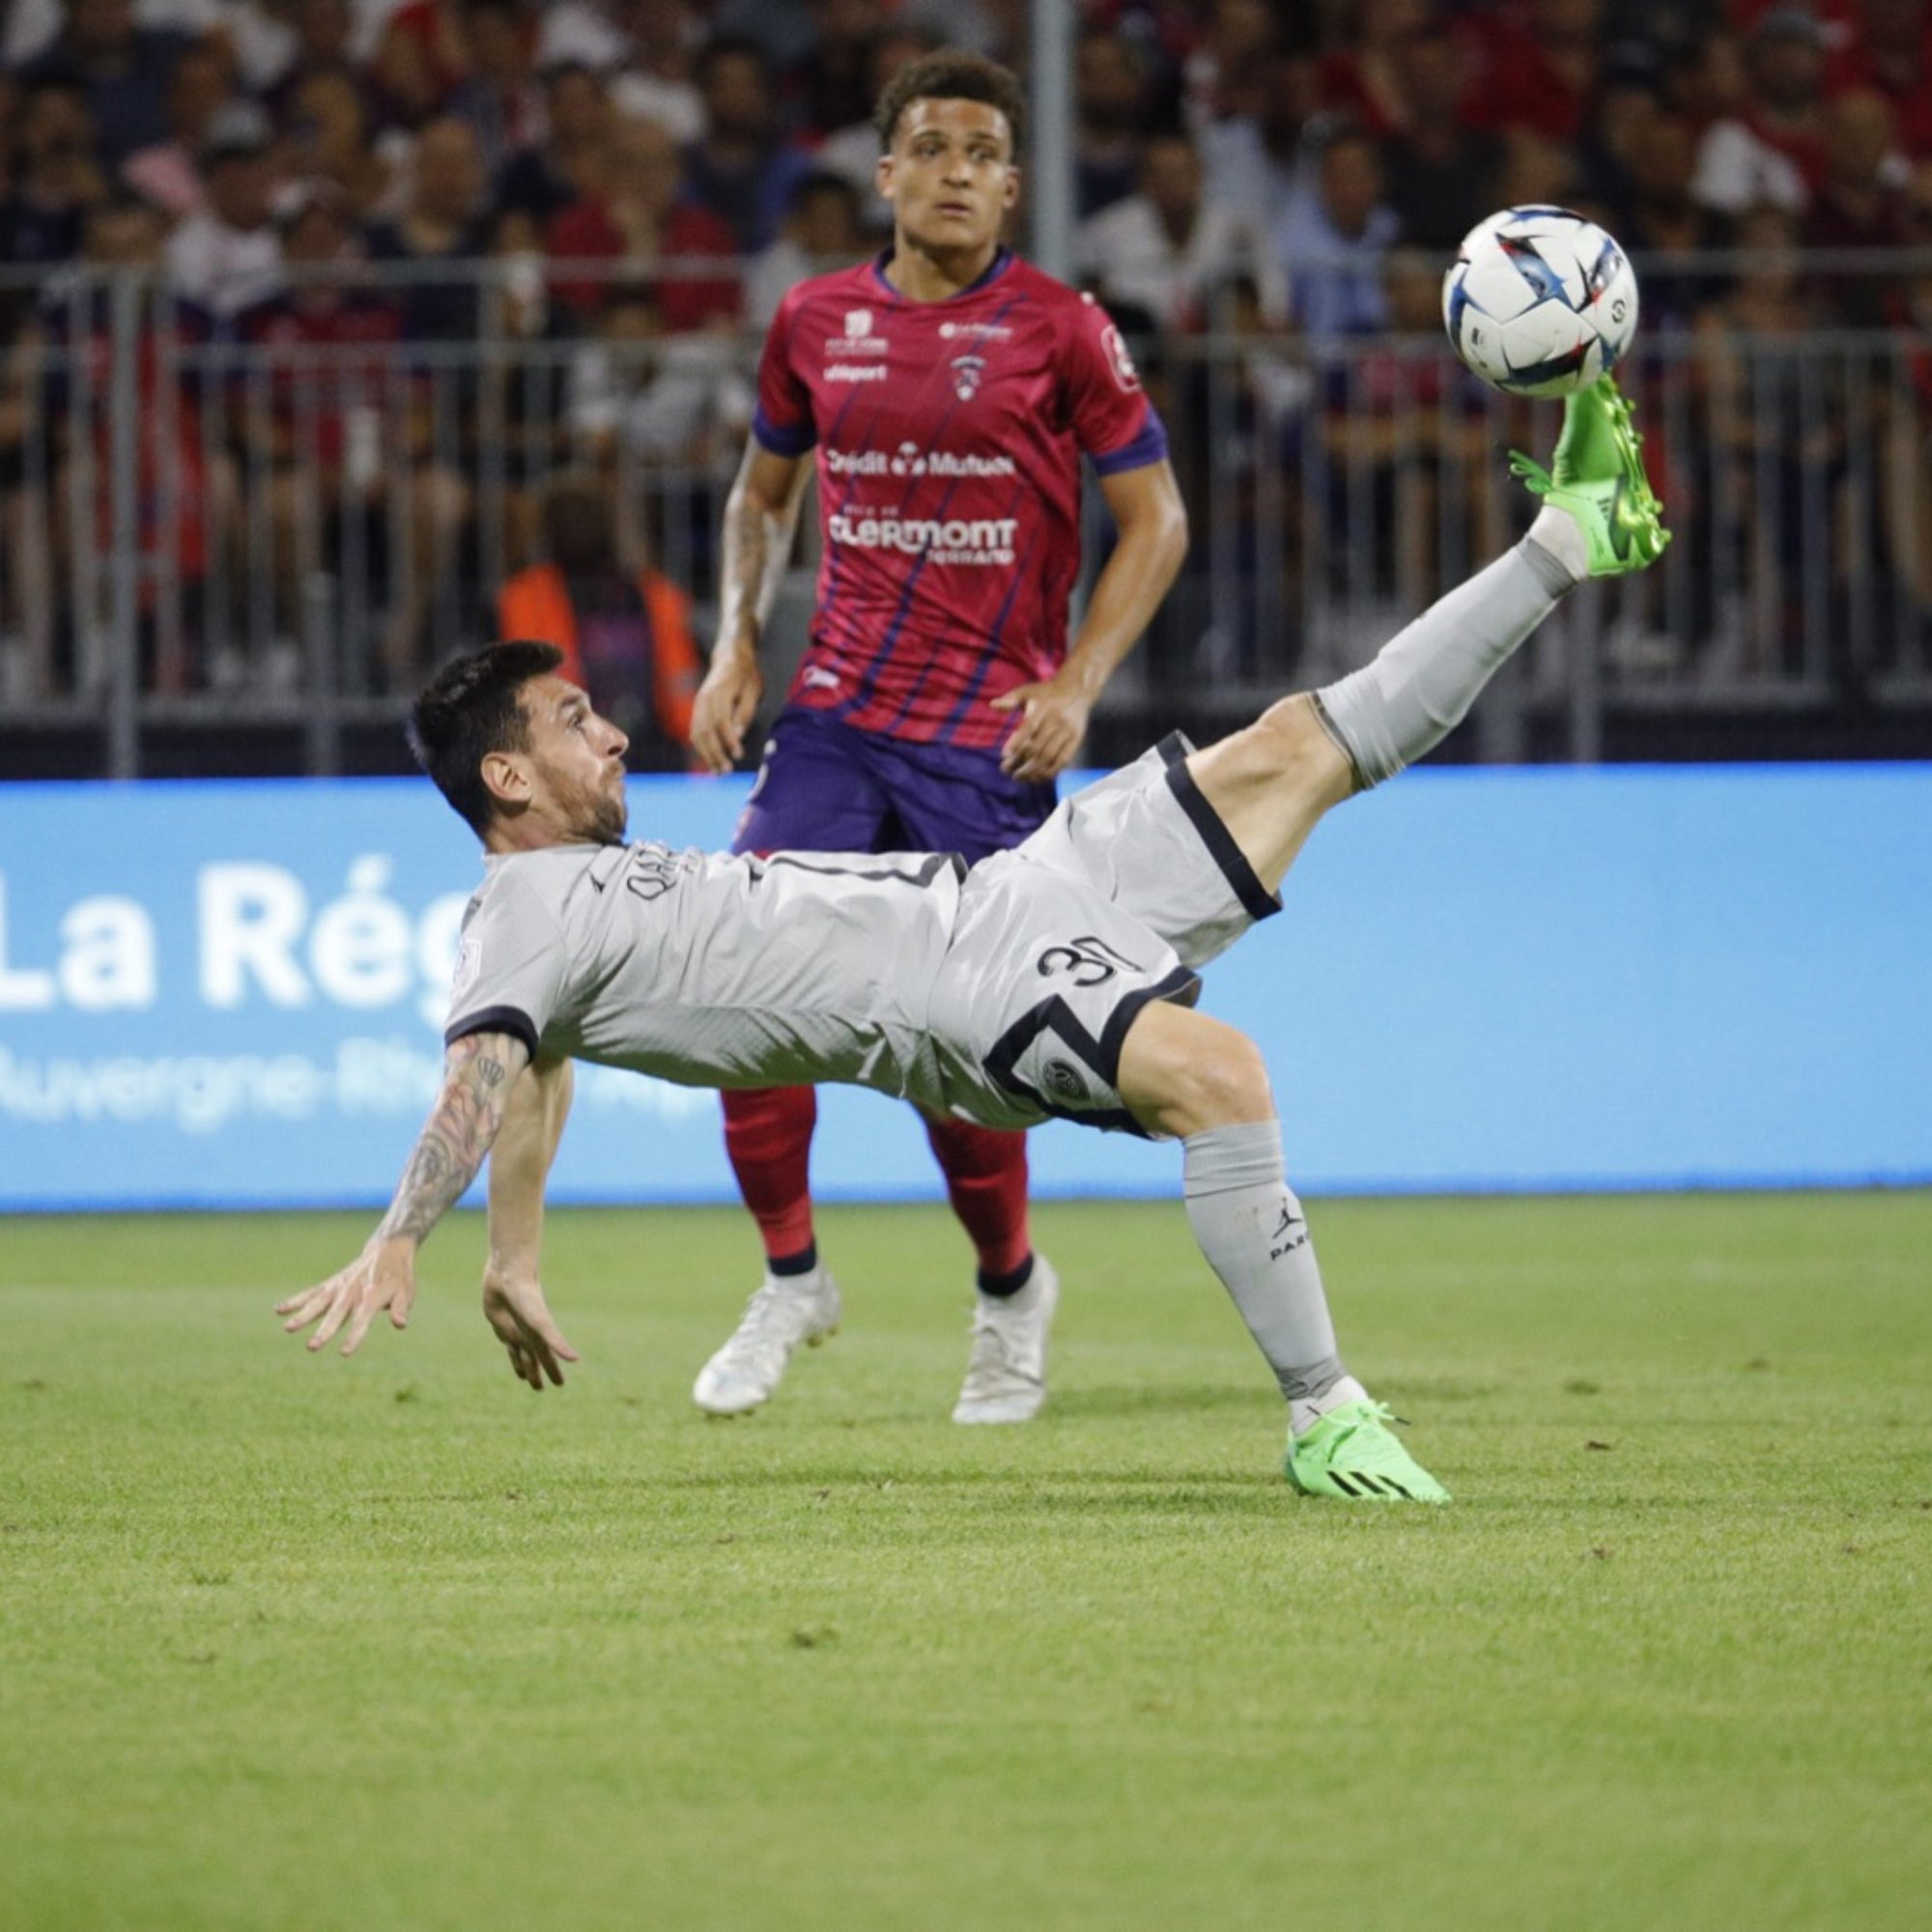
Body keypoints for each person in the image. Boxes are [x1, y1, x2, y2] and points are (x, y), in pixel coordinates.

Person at [274, 375, 1671, 1506]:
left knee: (1298, 744)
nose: (616, 728)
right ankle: (1326, 1414)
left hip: (1005, 887)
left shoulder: (574, 904)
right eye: (576, 720)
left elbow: (539, 1069)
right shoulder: (512, 914)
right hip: (963, 1005)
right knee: (1225, 1077)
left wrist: (513, 1255)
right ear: (505, 780)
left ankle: (1567, 540)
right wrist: (407, 1234)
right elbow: (484, 1068)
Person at [685, 48, 1188, 1430]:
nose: (956, 169)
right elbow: (760, 494)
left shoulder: (1065, 332)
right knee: (746, 996)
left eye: (981, 151)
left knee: (964, 1064)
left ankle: (1011, 1292)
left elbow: (1159, 521)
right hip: (839, 723)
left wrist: (1080, 680)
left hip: (988, 749)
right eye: (931, 146)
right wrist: (737, 639)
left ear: (1012, 187)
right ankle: (792, 1275)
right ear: (888, 173)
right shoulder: (813, 322)